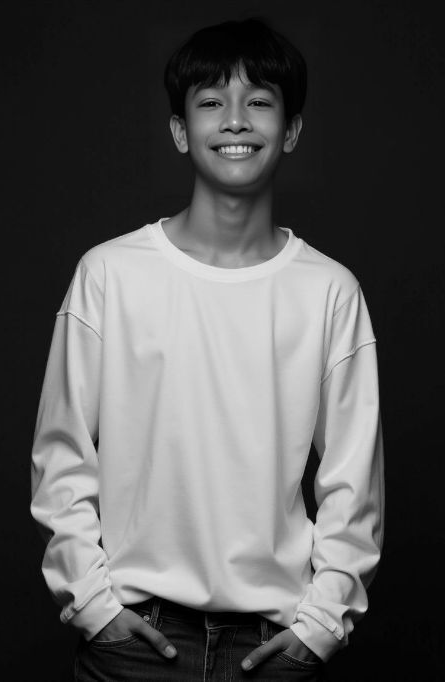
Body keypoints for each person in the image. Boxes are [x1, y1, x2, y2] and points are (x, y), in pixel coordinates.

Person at [30, 16, 385, 681]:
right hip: (134, 643)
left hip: (273, 647)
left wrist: (320, 628)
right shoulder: (109, 275)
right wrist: (93, 606)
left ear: (293, 130)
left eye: (259, 101)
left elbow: (353, 483)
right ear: (179, 130)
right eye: (212, 102)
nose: (235, 121)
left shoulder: (330, 291)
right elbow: (61, 455)